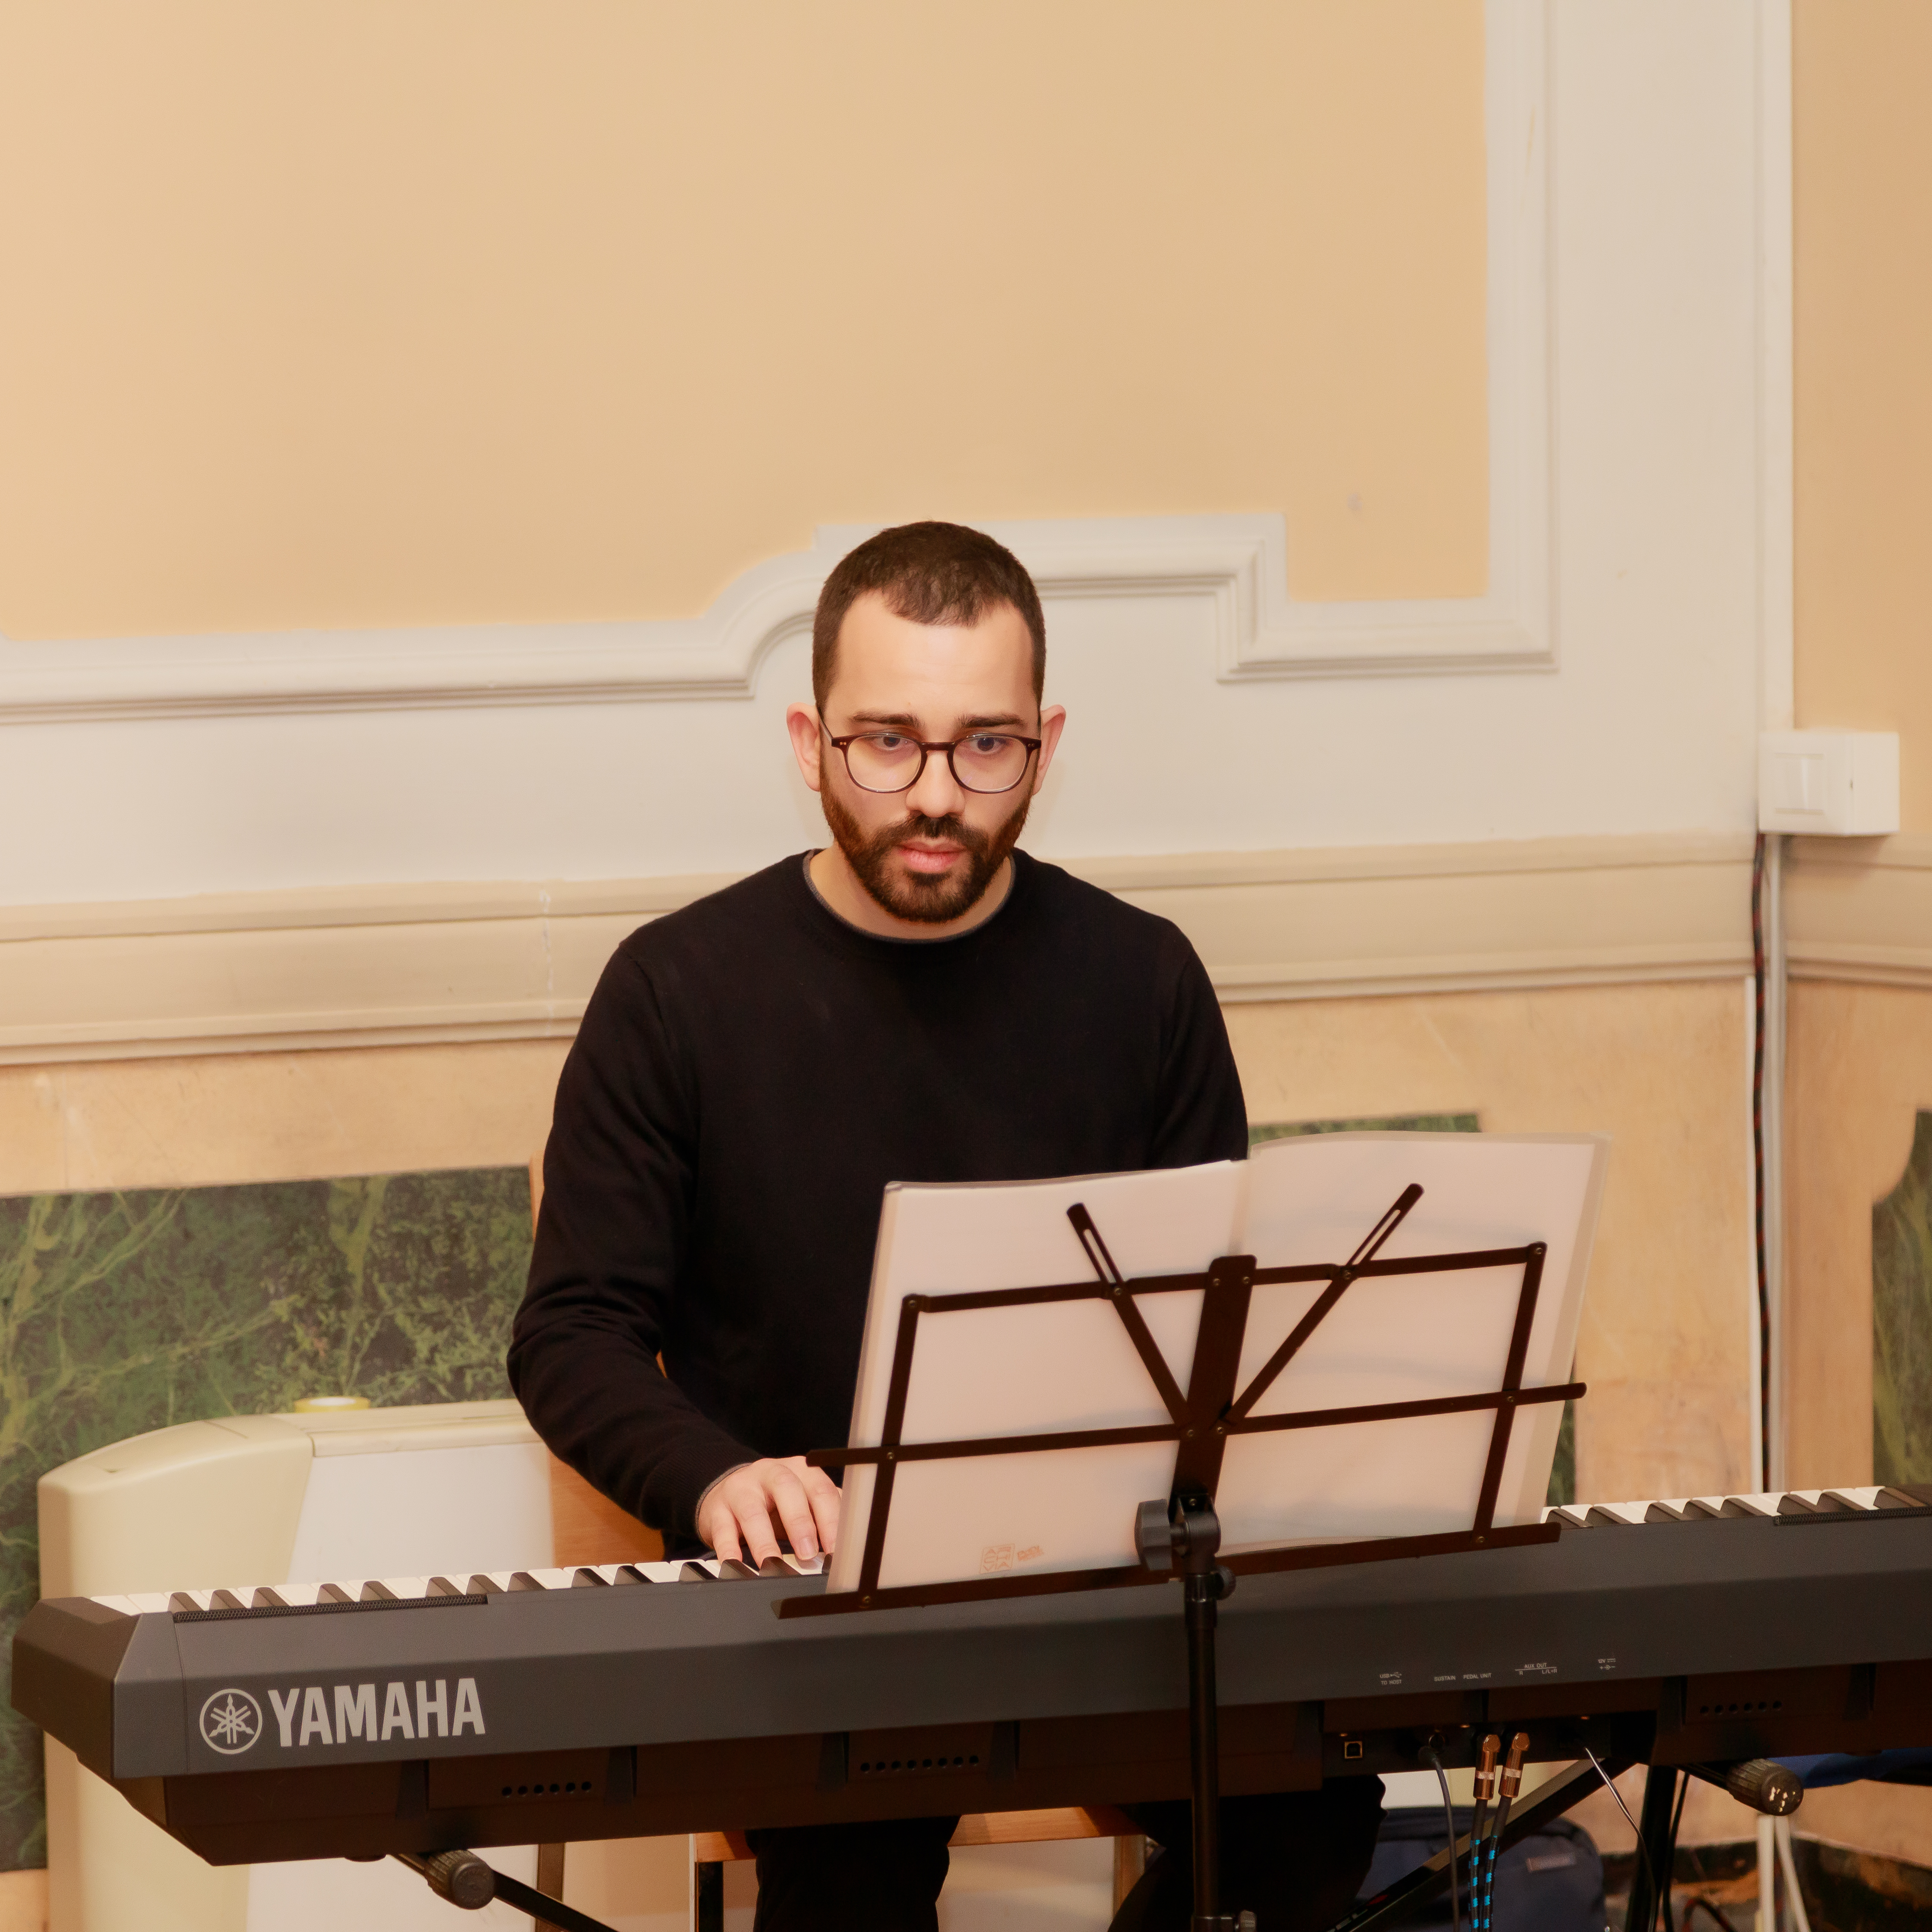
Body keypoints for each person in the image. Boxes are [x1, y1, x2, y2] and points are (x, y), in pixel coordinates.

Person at [510, 520, 1382, 1931]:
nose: (935, 796)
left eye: (985, 748)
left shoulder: (1145, 981)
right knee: (846, 1883)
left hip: (1104, 1596)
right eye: (887, 743)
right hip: (821, 1608)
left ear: (1044, 745)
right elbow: (572, 1335)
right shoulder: (674, 993)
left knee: (1309, 1821)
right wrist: (721, 1476)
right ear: (810, 742)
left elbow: (1216, 1328)